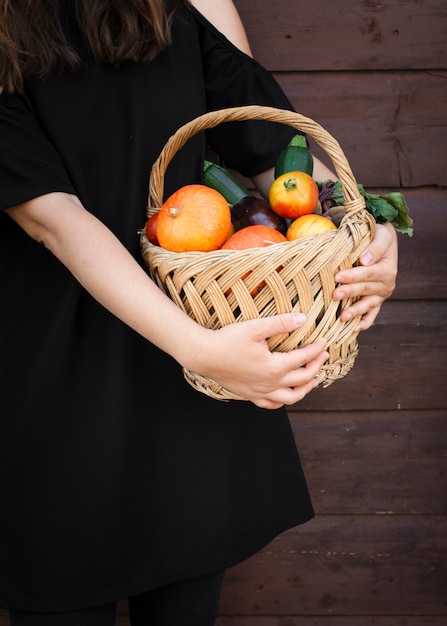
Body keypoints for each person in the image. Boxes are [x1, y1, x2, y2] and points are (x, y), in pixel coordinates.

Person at [0, 0, 398, 624]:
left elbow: (271, 145)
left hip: (194, 374)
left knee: (185, 601)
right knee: (62, 593)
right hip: (61, 380)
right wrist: (196, 348)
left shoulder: (187, 4)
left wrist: (365, 224)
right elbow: (54, 219)